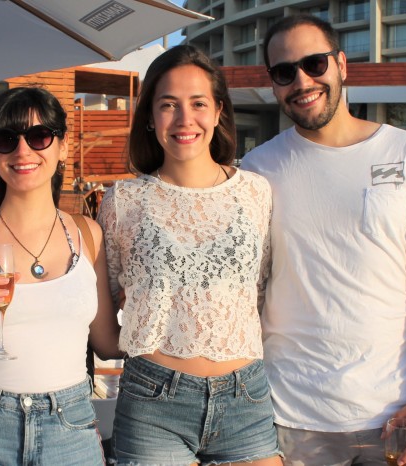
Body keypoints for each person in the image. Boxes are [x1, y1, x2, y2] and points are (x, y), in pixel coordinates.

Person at [239, 14, 406, 466]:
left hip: (398, 412)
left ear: (342, 65)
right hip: (290, 419)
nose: (302, 80)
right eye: (284, 72)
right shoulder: (257, 169)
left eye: (314, 63)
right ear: (274, 84)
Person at [96, 44, 283, 466]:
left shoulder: (257, 192)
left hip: (246, 398)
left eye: (198, 103)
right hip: (152, 402)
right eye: (168, 105)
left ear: (218, 111)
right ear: (149, 116)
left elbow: (259, 287)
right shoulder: (122, 201)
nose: (185, 120)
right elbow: (104, 303)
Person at [0, 86, 122, 465]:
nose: (23, 151)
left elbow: (107, 344)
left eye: (39, 137)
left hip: (70, 426)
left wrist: (147, 307)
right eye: (6, 139)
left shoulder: (88, 234)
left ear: (63, 147)